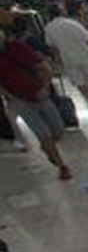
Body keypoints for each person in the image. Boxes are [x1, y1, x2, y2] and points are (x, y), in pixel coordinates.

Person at [0, 26, 70, 180]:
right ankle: (61, 165)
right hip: (19, 100)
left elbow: (43, 67)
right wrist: (9, 96)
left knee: (57, 130)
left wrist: (45, 87)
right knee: (42, 133)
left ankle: (47, 147)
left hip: (40, 94)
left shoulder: (19, 48)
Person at [43, 1, 88, 108]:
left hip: (67, 57)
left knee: (78, 80)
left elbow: (52, 46)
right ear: (61, 11)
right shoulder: (73, 23)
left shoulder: (48, 28)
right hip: (84, 53)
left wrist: (57, 59)